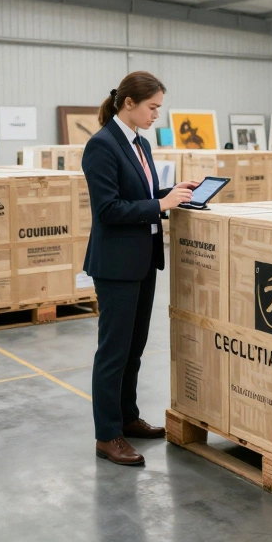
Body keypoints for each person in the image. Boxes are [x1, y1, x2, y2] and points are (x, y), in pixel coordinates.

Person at [83, 71, 198, 466]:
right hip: (115, 265)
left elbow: (143, 197)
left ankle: (127, 418)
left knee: (134, 349)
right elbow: (109, 210)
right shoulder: (101, 146)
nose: (156, 116)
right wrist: (160, 206)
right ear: (129, 103)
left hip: (142, 260)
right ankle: (107, 435)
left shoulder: (140, 144)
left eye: (159, 109)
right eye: (152, 108)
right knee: (113, 352)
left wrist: (174, 193)